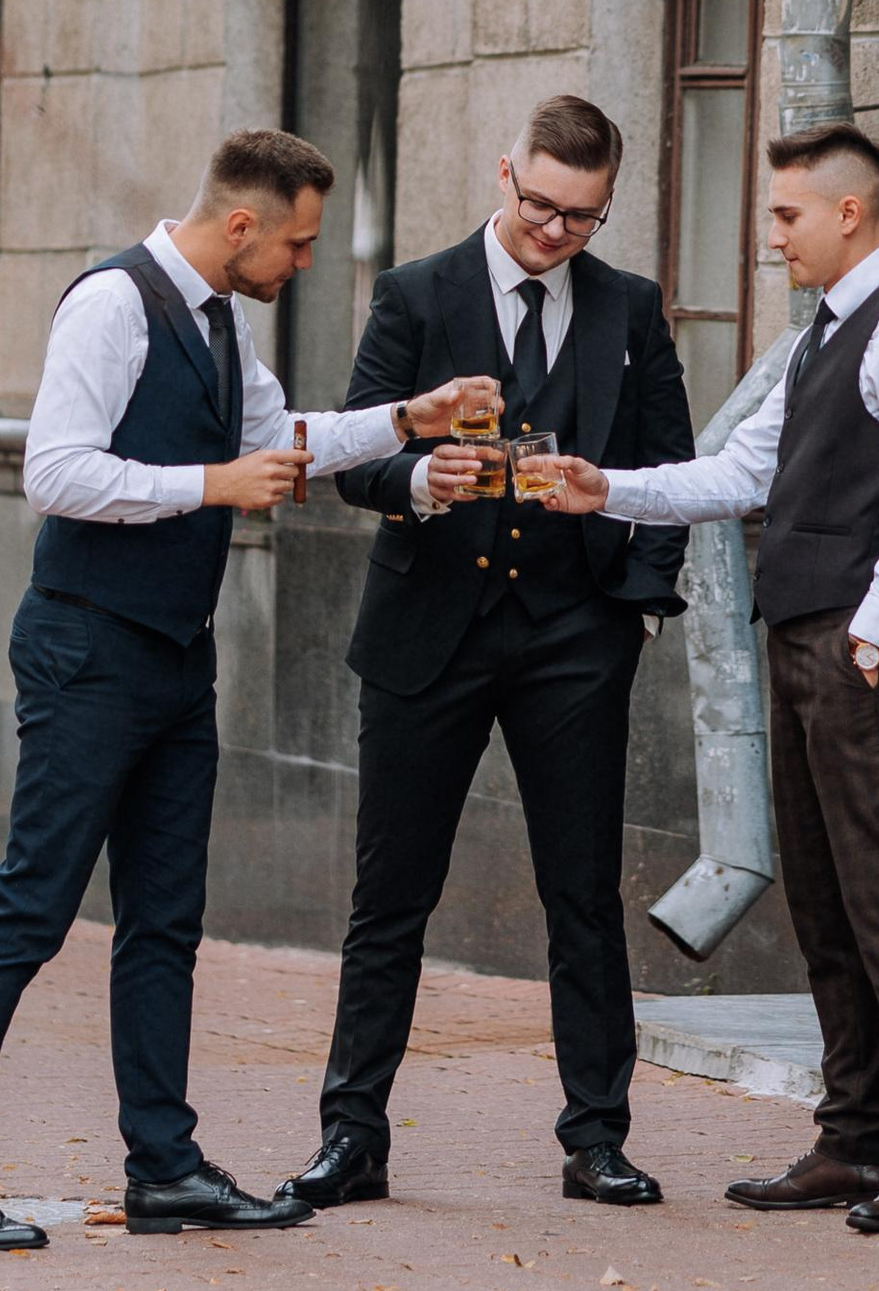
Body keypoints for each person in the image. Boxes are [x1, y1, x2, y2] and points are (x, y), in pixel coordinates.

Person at [0, 130, 496, 1252]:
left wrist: (413, 418)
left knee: (166, 924)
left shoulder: (224, 322)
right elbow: (55, 471)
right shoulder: (111, 306)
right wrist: (208, 486)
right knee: (33, 905)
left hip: (175, 654)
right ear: (240, 228)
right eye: (299, 243)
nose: (304, 263)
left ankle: (164, 1167)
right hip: (85, 649)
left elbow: (286, 438)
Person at [550, 125, 879, 1233]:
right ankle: (851, 1139)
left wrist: (871, 635)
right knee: (825, 899)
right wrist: (608, 492)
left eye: (786, 215)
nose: (768, 235)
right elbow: (743, 470)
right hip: (802, 634)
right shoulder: (819, 335)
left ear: (848, 213)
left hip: (852, 647)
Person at [280, 96, 696, 1214]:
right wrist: (421, 479)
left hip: (574, 637)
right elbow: (359, 450)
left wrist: (636, 613)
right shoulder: (418, 294)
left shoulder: (629, 310)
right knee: (390, 896)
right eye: (541, 207)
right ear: (502, 171)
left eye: (584, 218)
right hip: (428, 635)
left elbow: (668, 470)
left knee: (583, 897)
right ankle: (351, 1136)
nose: (556, 234)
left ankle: (596, 1138)